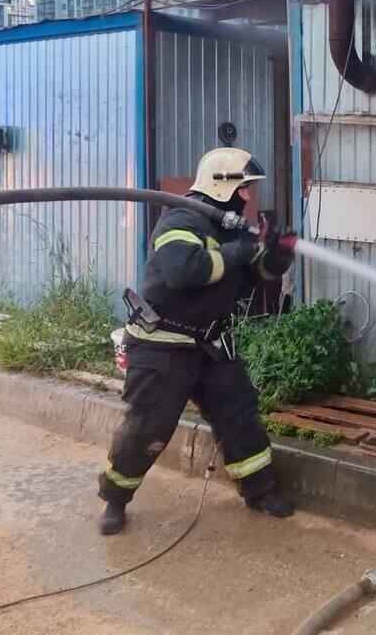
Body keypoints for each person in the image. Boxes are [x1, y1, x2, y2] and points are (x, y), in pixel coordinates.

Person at [97, 147, 297, 535]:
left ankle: (260, 490)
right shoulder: (180, 219)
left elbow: (258, 273)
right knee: (146, 428)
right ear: (222, 185)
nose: (249, 198)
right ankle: (114, 499)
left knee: (239, 415)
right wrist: (240, 251)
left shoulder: (232, 229)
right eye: (245, 189)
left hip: (210, 342)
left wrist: (277, 256)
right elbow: (183, 270)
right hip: (162, 344)